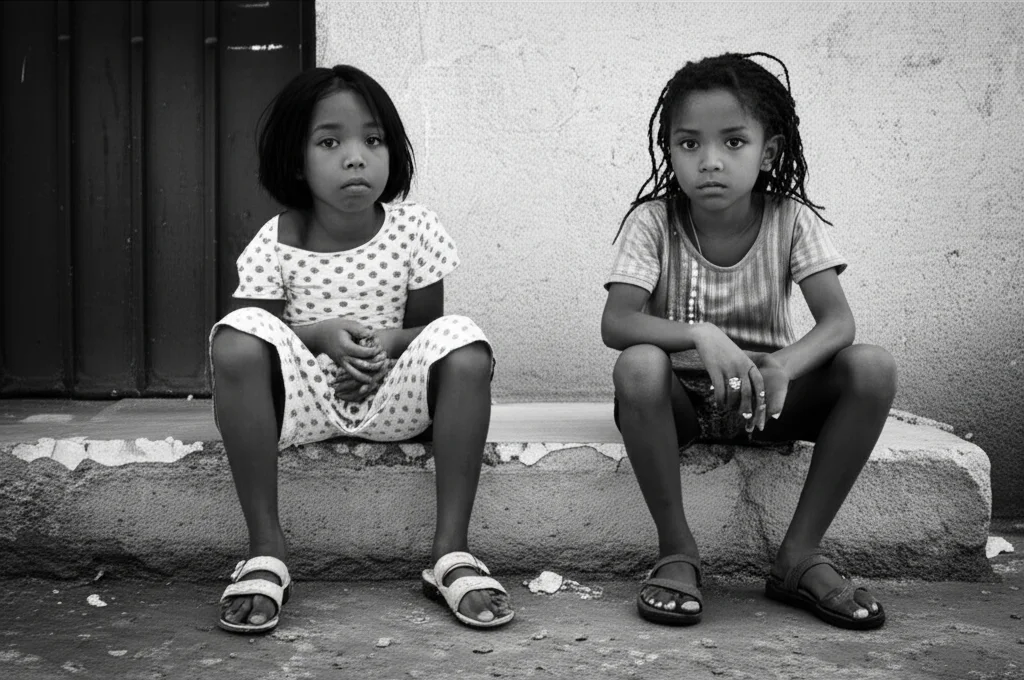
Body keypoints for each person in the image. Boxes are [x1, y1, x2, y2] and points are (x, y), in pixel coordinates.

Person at [209, 65, 513, 634]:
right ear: (297, 161)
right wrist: (321, 335)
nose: (356, 157)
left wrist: (378, 354)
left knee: (465, 344)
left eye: (372, 140)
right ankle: (265, 550)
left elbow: (426, 333)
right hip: (302, 402)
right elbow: (260, 341)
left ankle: (451, 553)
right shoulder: (276, 239)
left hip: (393, 395)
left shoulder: (416, 228)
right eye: (331, 142)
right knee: (236, 332)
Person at [602, 52, 896, 630]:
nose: (709, 162)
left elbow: (838, 324)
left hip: (772, 402)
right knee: (637, 365)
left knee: (873, 368)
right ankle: (677, 552)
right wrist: (697, 334)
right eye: (689, 144)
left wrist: (785, 364)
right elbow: (617, 323)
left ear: (770, 152)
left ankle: (800, 555)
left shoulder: (790, 219)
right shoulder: (652, 223)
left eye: (733, 142)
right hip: (681, 404)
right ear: (670, 150)